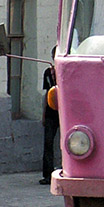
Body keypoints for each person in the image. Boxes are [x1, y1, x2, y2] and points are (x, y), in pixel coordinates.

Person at [40, 47, 60, 185]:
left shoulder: (70, 70)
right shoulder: (48, 72)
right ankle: (47, 174)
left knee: (67, 143)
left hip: (66, 113)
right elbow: (47, 93)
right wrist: (43, 113)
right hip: (51, 113)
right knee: (48, 142)